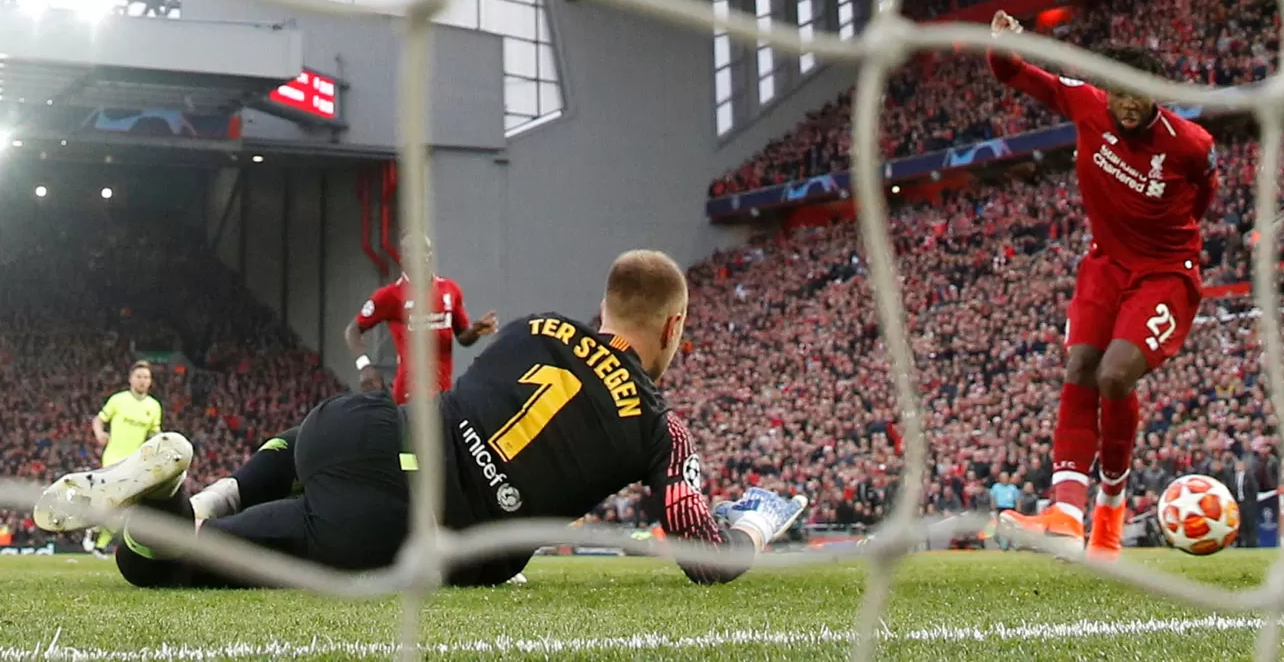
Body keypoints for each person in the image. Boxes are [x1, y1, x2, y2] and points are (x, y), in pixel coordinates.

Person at [32, 250, 807, 588]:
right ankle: (169, 512)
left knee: (293, 450)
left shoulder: (534, 326)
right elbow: (707, 557)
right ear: (672, 329)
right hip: (395, 514)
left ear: (604, 305)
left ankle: (199, 489)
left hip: (362, 420)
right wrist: (759, 522)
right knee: (150, 564)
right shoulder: (658, 425)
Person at [985, 10, 1216, 559]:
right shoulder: (1087, 102)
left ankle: (1111, 501)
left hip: (1165, 273)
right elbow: (1015, 74)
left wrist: (1171, 235)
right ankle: (1066, 512)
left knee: (1115, 375)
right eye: (1121, 94)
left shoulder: (1189, 143)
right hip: (1106, 264)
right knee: (1080, 366)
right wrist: (1000, 45)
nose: (1129, 105)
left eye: (1140, 96)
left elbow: (1205, 196)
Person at [346, 234, 499, 403]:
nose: (418, 256)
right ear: (402, 259)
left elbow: (462, 337)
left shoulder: (450, 290)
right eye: (410, 252)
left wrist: (475, 331)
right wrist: (364, 366)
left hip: (443, 392)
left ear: (430, 255)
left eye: (423, 250)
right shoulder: (389, 296)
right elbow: (353, 330)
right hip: (408, 394)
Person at [85, 361, 163, 556]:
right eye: (139, 377)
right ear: (130, 379)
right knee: (113, 500)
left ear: (150, 381)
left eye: (146, 377)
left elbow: (155, 433)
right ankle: (93, 529)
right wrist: (99, 433)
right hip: (112, 457)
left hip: (133, 462)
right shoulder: (118, 400)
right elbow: (98, 419)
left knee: (123, 509)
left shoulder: (154, 406)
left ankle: (99, 543)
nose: (143, 381)